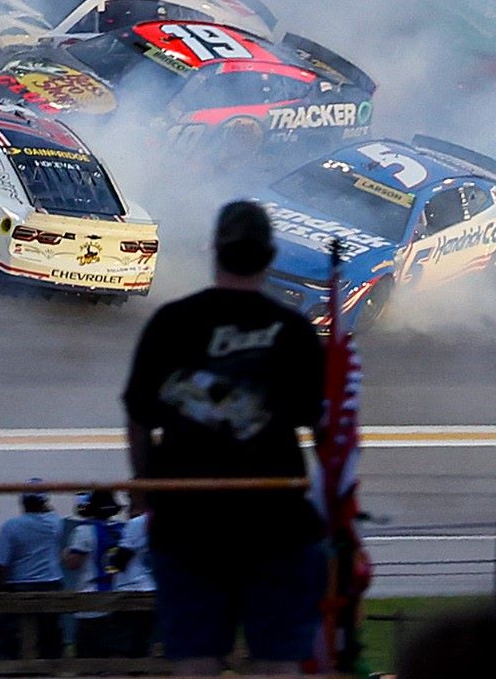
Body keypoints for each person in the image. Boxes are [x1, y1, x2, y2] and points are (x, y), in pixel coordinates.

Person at [123, 200, 326, 675]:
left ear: (213, 251)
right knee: (277, 664)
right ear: (270, 255)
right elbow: (321, 424)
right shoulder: (294, 331)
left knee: (195, 662)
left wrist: (147, 487)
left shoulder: (171, 322)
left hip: (186, 520)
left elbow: (137, 418)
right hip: (274, 521)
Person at [61, 490, 155, 658]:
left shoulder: (84, 531)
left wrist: (65, 554)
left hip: (90, 601)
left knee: (88, 658)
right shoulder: (123, 528)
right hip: (117, 599)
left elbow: (73, 563)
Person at [0, 483, 67, 659]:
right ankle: (49, 668)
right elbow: (50, 511)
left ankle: (12, 668)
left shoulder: (11, 526)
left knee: (11, 636)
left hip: (19, 585)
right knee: (49, 634)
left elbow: (0, 564)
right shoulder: (55, 523)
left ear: (23, 501)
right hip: (50, 584)